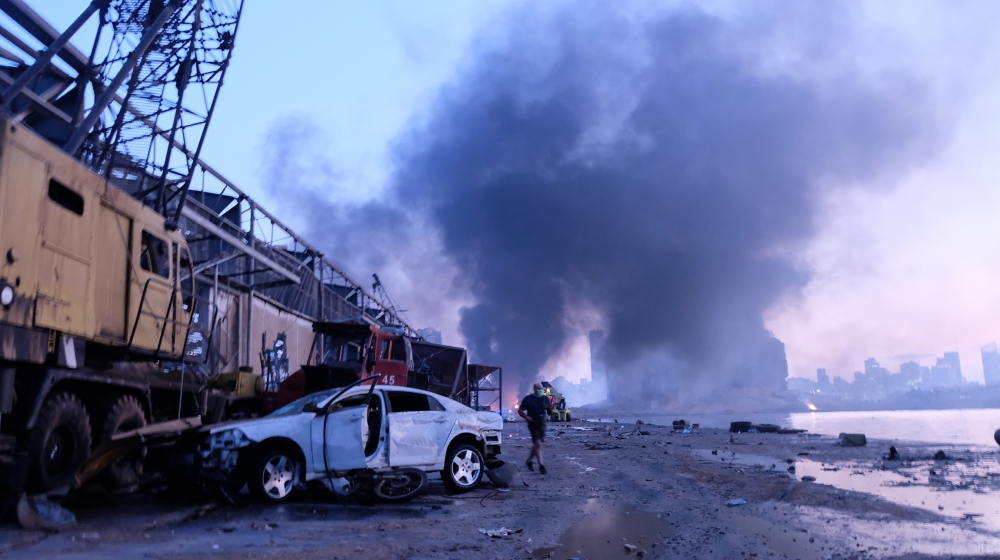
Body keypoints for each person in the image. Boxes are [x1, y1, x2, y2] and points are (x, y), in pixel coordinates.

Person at [518, 382, 553, 474]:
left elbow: (550, 413)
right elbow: (520, 410)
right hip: (532, 423)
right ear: (534, 389)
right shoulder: (528, 399)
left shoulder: (545, 399)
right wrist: (526, 417)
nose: (541, 390)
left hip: (542, 423)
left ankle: (529, 461)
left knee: (538, 444)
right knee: (538, 443)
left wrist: (550, 408)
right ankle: (541, 465)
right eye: (539, 388)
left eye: (542, 389)